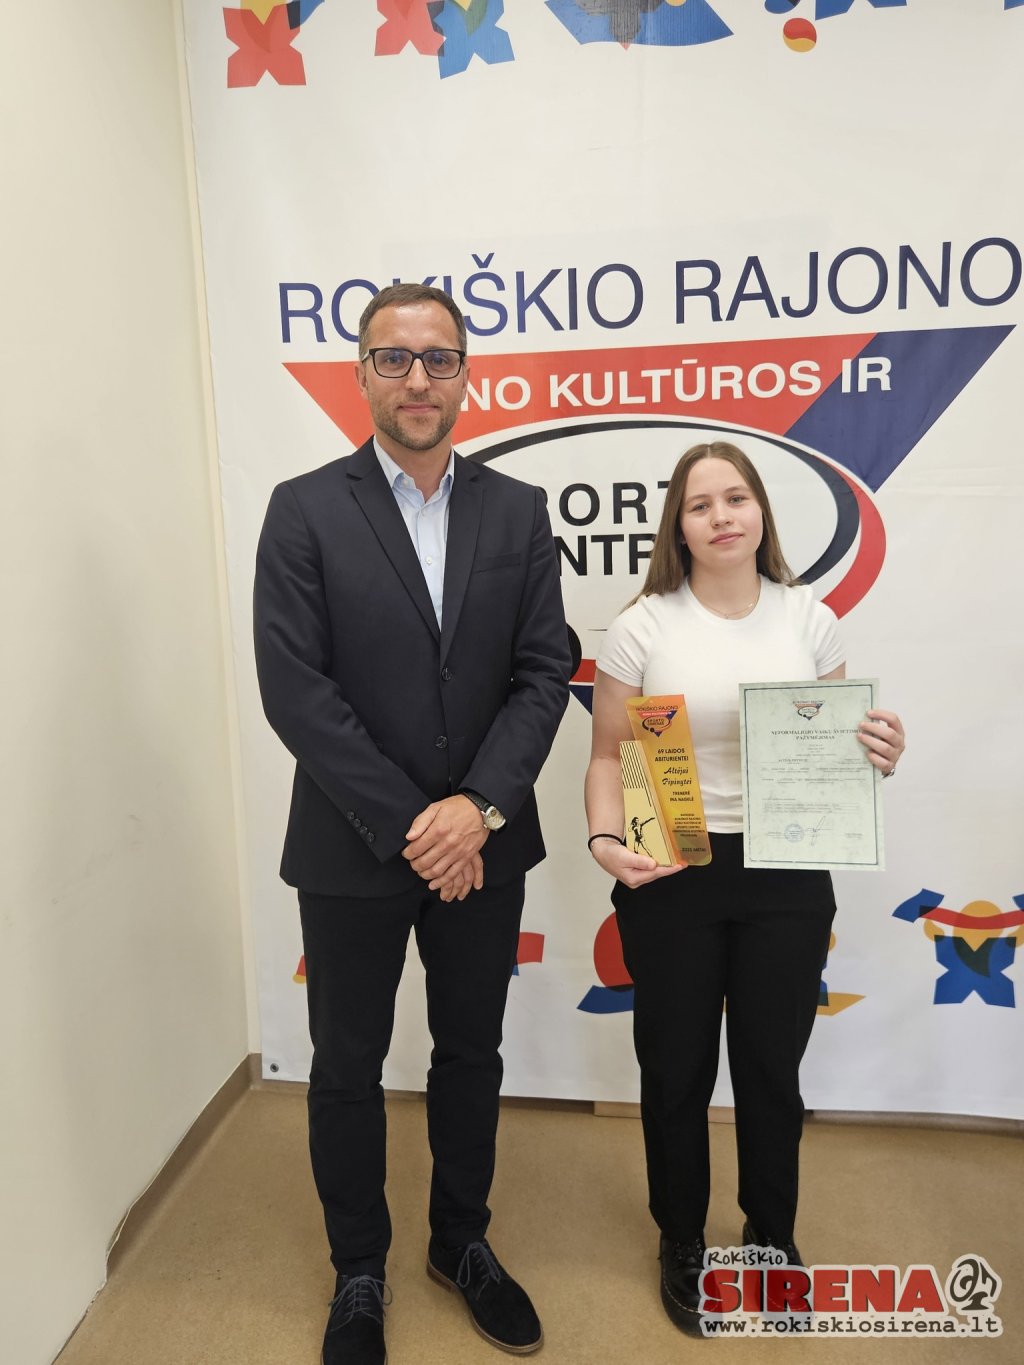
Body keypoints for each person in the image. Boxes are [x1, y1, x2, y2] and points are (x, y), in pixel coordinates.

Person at [254, 283, 571, 1364]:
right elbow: (296, 690)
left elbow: (542, 673)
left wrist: (475, 810)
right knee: (346, 1062)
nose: (418, 378)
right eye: (394, 358)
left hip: (486, 841)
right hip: (350, 843)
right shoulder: (304, 508)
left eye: (439, 358)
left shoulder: (517, 511)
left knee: (469, 1051)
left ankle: (460, 1243)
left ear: (466, 374)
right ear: (362, 375)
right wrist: (415, 824)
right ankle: (358, 1267)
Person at [584, 440, 905, 1335]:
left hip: (787, 871)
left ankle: (771, 1234)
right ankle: (681, 1238)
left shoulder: (810, 618)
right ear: (678, 528)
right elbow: (607, 756)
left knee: (770, 1067)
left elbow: (841, 749)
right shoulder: (644, 626)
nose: (721, 515)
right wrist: (605, 838)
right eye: (700, 504)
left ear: (761, 510)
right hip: (671, 866)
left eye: (736, 497)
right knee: (676, 1067)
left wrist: (879, 752)